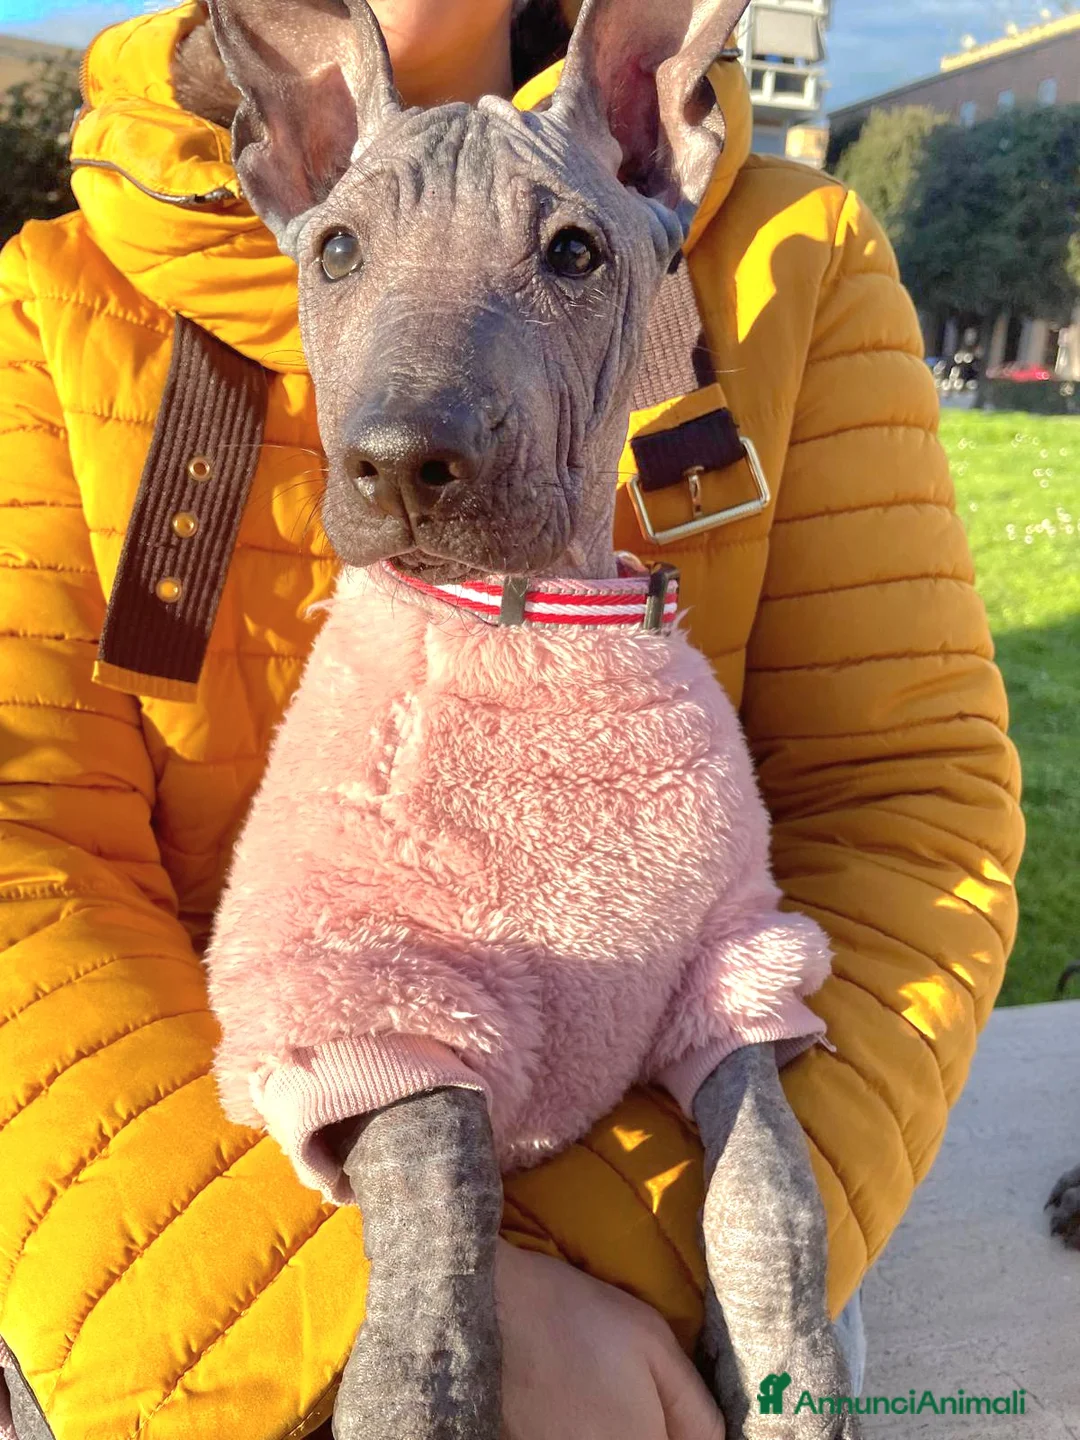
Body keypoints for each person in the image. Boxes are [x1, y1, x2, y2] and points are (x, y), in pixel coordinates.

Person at [0, 0, 1023, 1437]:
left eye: (566, 262)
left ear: (659, 144)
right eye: (341, 249)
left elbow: (905, 801)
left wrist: (616, 1274)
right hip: (192, 1241)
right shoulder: (51, 304)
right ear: (290, 160)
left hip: (671, 1248)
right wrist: (375, 1307)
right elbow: (21, 864)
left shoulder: (791, 260)